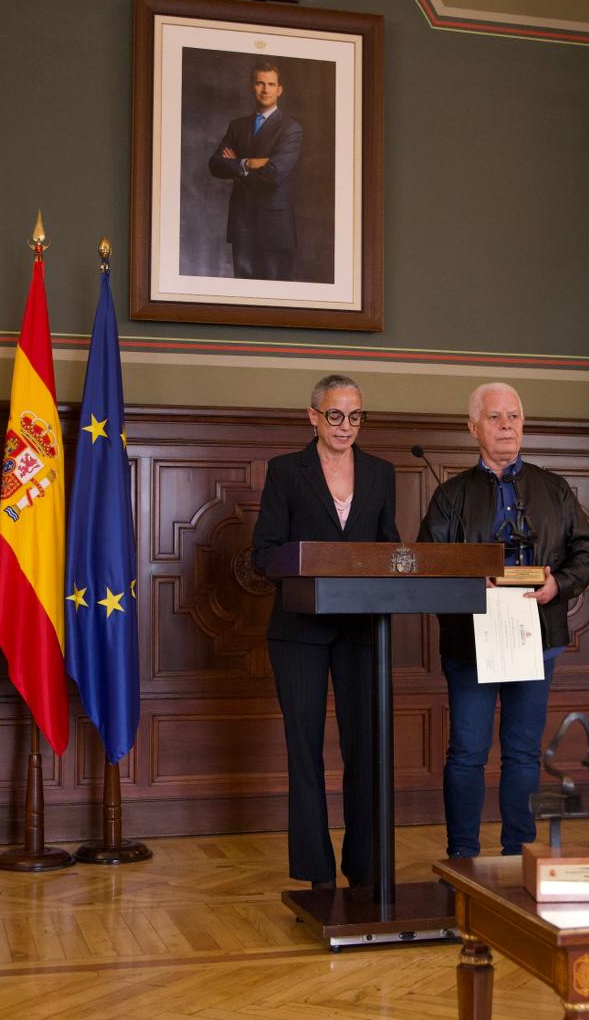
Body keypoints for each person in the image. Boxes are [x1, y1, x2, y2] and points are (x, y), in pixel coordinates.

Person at [418, 383, 589, 857]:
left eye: (515, 417)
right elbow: (427, 562)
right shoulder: (450, 495)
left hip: (536, 637)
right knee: (467, 753)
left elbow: (587, 550)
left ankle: (517, 856)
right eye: (496, 417)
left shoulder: (554, 488)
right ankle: (462, 857)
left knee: (522, 753)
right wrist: (467, 583)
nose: (507, 426)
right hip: (472, 642)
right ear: (473, 427)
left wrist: (558, 584)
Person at [251, 375, 397, 889]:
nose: (345, 426)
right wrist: (308, 568)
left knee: (366, 748)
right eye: (335, 415)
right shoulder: (286, 472)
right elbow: (263, 552)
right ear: (312, 416)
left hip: (362, 631)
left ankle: (367, 866)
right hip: (299, 631)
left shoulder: (381, 473)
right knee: (305, 750)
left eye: (355, 416)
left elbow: (390, 551)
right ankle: (316, 873)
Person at [207, 61, 303, 281]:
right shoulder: (237, 126)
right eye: (260, 83)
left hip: (275, 228)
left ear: (280, 89)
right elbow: (215, 164)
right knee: (242, 293)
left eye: (271, 84)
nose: (266, 89)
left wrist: (236, 164)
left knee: (274, 298)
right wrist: (248, 163)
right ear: (252, 86)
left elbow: (274, 173)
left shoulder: (291, 128)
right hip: (242, 223)